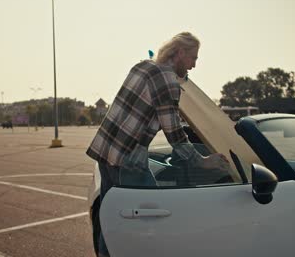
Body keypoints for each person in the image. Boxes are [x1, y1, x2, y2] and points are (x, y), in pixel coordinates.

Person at [86, 32, 229, 257]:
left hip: (105, 153)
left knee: (110, 217)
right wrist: (202, 162)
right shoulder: (166, 80)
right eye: (193, 58)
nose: (194, 65)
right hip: (128, 160)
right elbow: (173, 131)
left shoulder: (143, 66)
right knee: (153, 218)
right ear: (180, 52)